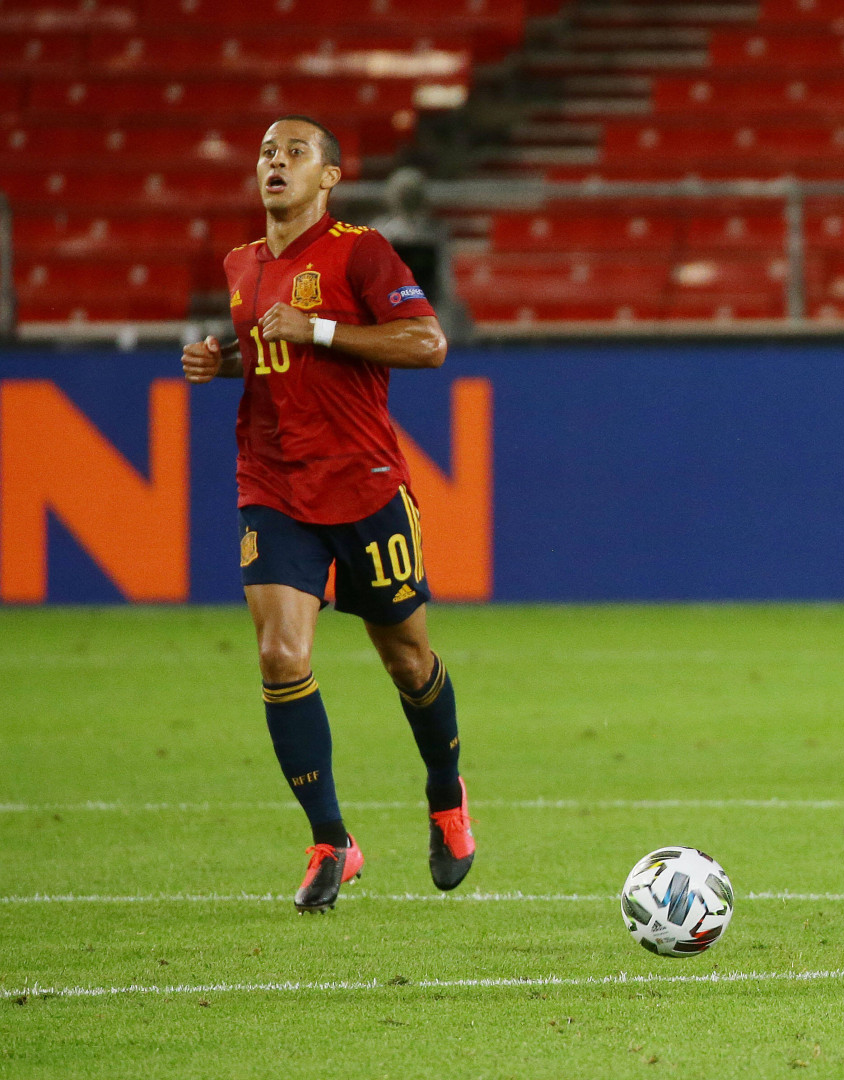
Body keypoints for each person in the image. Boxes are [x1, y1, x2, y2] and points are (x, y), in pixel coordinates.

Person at [180, 115, 475, 913]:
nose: (275, 162)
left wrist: (317, 326)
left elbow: (428, 343)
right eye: (266, 151)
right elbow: (271, 344)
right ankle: (331, 842)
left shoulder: (362, 252)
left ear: (330, 176)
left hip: (364, 483)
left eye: (295, 152)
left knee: (408, 660)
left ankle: (446, 797)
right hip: (272, 482)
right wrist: (223, 357)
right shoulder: (241, 265)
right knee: (281, 655)